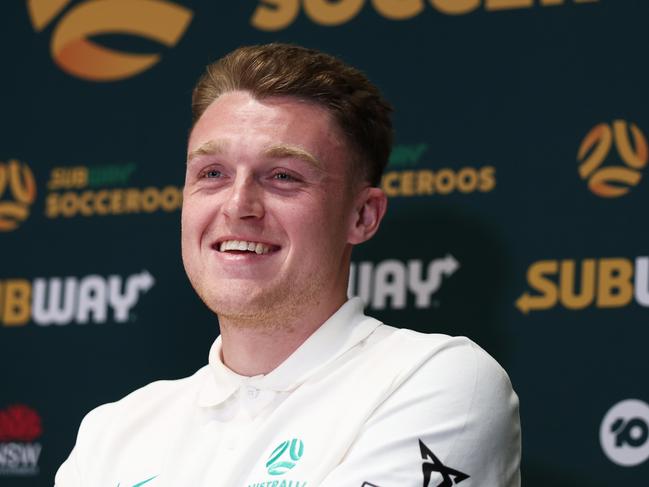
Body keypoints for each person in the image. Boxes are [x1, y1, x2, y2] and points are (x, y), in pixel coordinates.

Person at [55, 43, 521, 487]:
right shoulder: (112, 432)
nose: (238, 206)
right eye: (212, 173)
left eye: (283, 176)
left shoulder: (438, 381)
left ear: (362, 215)